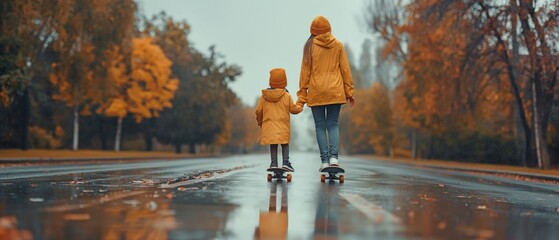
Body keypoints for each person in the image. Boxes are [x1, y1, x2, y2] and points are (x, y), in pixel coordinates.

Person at [296, 16, 355, 170]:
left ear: (313, 31)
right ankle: (334, 158)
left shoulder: (309, 47)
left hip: (317, 91)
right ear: (329, 29)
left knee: (320, 126)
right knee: (333, 124)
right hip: (335, 90)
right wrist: (349, 92)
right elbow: (345, 70)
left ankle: (324, 161)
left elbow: (304, 73)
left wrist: (302, 95)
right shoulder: (338, 45)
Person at [256, 68, 303, 171]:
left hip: (269, 126)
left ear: (270, 81)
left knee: (273, 143)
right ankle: (286, 162)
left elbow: (258, 111)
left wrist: (261, 122)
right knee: (284, 143)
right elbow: (293, 110)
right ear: (284, 81)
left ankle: (273, 163)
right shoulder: (287, 96)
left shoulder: (264, 97)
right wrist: (300, 105)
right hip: (283, 126)